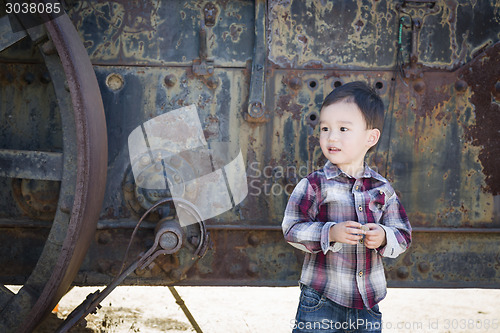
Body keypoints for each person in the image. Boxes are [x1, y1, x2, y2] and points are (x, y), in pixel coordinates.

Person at [282, 81, 412, 333]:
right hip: (321, 298)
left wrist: (384, 236)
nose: (332, 137)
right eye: (325, 128)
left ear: (370, 137)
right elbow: (291, 228)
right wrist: (329, 233)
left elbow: (403, 234)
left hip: (368, 302)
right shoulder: (314, 184)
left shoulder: (381, 188)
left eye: (343, 129)